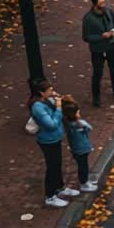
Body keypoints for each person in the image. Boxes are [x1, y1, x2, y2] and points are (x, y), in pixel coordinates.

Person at [28, 80, 75, 208]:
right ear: (41, 92)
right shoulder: (37, 107)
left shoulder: (47, 100)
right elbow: (51, 124)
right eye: (49, 90)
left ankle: (60, 188)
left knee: (57, 163)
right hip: (48, 140)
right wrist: (59, 108)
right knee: (52, 167)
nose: (52, 91)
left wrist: (60, 100)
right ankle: (50, 196)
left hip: (55, 139)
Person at [81, 0, 114, 108]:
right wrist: (101, 37)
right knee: (98, 73)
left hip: (110, 46)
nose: (104, 5)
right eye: (101, 3)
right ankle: (96, 97)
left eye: (104, 2)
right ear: (94, 4)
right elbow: (86, 37)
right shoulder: (88, 19)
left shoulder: (109, 11)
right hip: (97, 50)